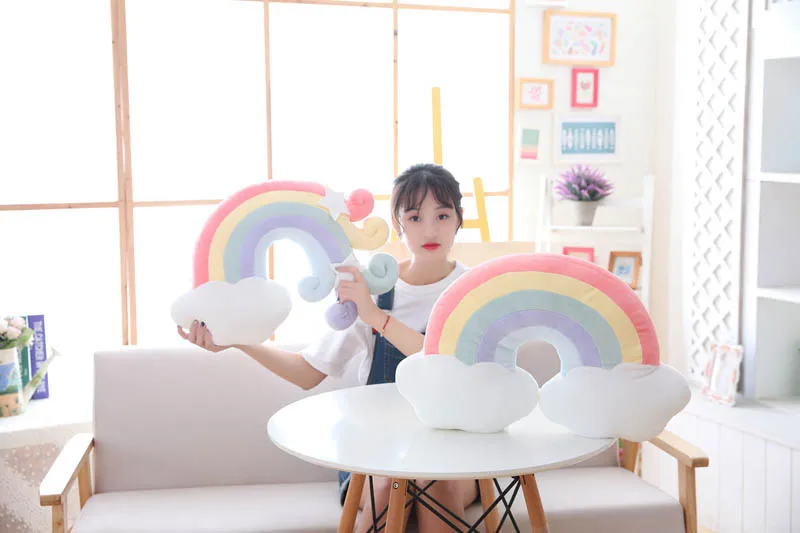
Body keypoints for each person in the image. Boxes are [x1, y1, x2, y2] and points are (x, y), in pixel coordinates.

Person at [178, 163, 478, 533]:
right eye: (414, 217)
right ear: (397, 225)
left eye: (442, 215)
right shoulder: (374, 288)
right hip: (379, 453)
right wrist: (237, 340)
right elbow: (307, 372)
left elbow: (448, 366)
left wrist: (375, 317)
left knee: (435, 482)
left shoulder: (474, 289)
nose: (429, 230)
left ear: (459, 218)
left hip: (455, 451)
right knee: (389, 485)